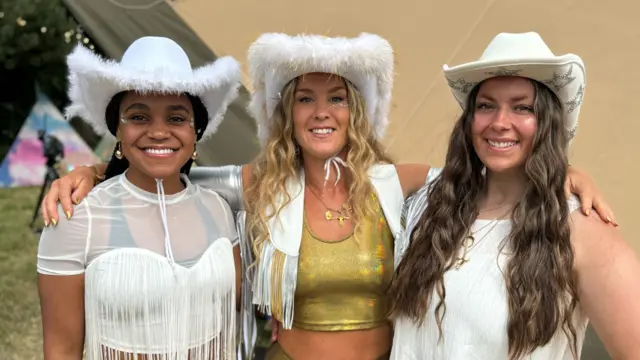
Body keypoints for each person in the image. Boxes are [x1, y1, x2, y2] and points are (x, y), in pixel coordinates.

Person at [41, 33, 613, 360]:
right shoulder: (256, 186)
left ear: (354, 111)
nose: (321, 113)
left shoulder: (395, 184)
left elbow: (489, 162)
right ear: (286, 114)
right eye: (304, 99)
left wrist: (566, 172)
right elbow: (166, 170)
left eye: (336, 98)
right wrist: (93, 170)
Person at [388, 32, 640, 360]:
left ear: (548, 122)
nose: (500, 122)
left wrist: (561, 172)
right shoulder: (429, 200)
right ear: (469, 120)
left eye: (522, 107)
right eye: (486, 106)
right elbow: (339, 176)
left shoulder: (581, 228)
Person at [37, 37, 247, 359]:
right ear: (118, 130)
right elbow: (61, 349)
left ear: (196, 132)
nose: (159, 132)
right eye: (138, 117)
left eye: (176, 118)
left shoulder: (219, 208)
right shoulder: (77, 218)